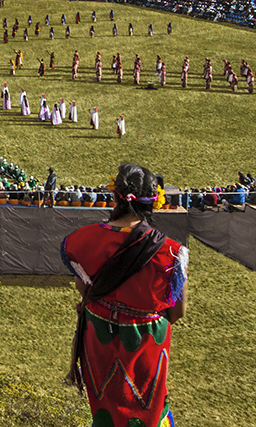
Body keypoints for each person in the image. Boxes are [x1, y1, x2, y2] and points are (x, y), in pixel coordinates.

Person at [61, 163, 187, 427]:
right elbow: (177, 312)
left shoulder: (82, 240)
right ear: (154, 201)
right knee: (148, 409)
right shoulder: (171, 252)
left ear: (115, 196)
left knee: (106, 405)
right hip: (146, 342)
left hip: (99, 337)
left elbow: (84, 288)